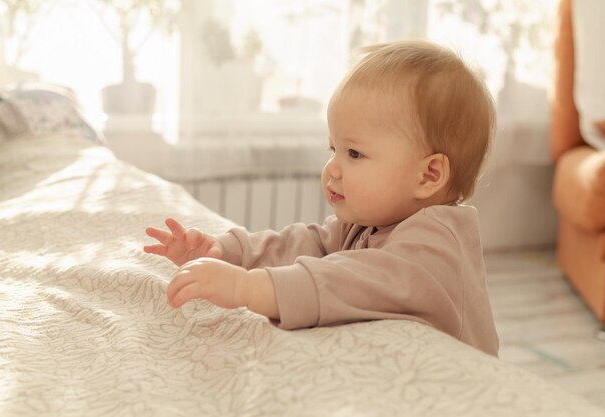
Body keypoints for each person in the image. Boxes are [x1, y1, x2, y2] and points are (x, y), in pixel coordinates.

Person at [144, 40, 499, 356]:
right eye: (334, 148)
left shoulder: (436, 245)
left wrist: (248, 287)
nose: (332, 168)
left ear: (429, 175)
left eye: (354, 154)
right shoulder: (368, 223)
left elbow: (350, 280)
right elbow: (309, 243)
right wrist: (229, 252)